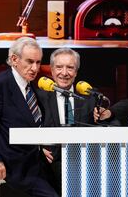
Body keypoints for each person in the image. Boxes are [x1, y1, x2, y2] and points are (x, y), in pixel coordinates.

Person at [0, 37, 58, 197]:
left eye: (38, 62)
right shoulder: (0, 85)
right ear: (14, 59)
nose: (35, 68)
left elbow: (28, 123)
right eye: (29, 61)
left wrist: (39, 147)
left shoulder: (29, 86)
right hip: (14, 164)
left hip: (36, 160)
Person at [41, 48, 97, 195]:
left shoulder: (90, 96)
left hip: (84, 167)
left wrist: (105, 114)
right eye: (59, 67)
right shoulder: (40, 98)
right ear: (52, 71)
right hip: (50, 168)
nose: (64, 73)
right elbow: (25, 127)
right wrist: (37, 148)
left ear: (76, 72)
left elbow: (112, 123)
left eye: (70, 68)